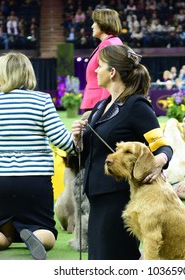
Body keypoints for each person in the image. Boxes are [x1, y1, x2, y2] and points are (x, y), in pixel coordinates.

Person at [71, 45, 173, 260]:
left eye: (99, 66)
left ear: (112, 72)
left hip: (119, 198)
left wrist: (160, 161)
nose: (95, 71)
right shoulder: (101, 106)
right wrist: (78, 139)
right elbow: (91, 151)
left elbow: (163, 147)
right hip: (96, 196)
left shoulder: (137, 105)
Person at [0, 52, 75, 260]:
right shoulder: (42, 100)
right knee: (47, 231)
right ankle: (36, 238)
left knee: (4, 232)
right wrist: (79, 141)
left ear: (4, 77)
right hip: (34, 181)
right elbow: (62, 141)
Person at [80, 8, 123, 111]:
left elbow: (110, 77)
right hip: (98, 102)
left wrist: (104, 106)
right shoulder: (112, 42)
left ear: (103, 23)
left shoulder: (108, 44)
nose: (92, 26)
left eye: (95, 22)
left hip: (97, 103)